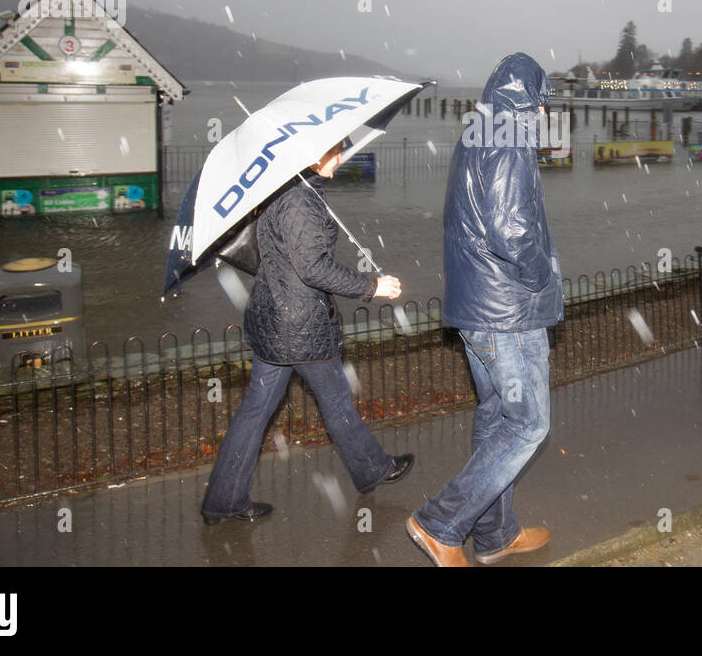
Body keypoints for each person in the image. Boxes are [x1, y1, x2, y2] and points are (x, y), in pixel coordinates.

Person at [200, 140, 412, 525]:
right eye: (336, 151)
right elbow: (313, 268)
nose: (341, 157)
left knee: (257, 411)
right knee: (334, 401)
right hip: (300, 326)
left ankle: (223, 500)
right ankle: (372, 469)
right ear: (314, 154)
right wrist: (371, 286)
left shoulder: (288, 189)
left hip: (276, 321)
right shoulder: (299, 200)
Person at [406, 53, 564, 566]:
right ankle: (440, 522)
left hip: (480, 307)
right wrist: (544, 278)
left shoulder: (479, 133)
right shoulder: (508, 136)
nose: (544, 114)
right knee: (528, 423)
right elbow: (512, 230)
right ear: (528, 99)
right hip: (507, 313)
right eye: (541, 102)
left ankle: (495, 534)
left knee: (498, 415)